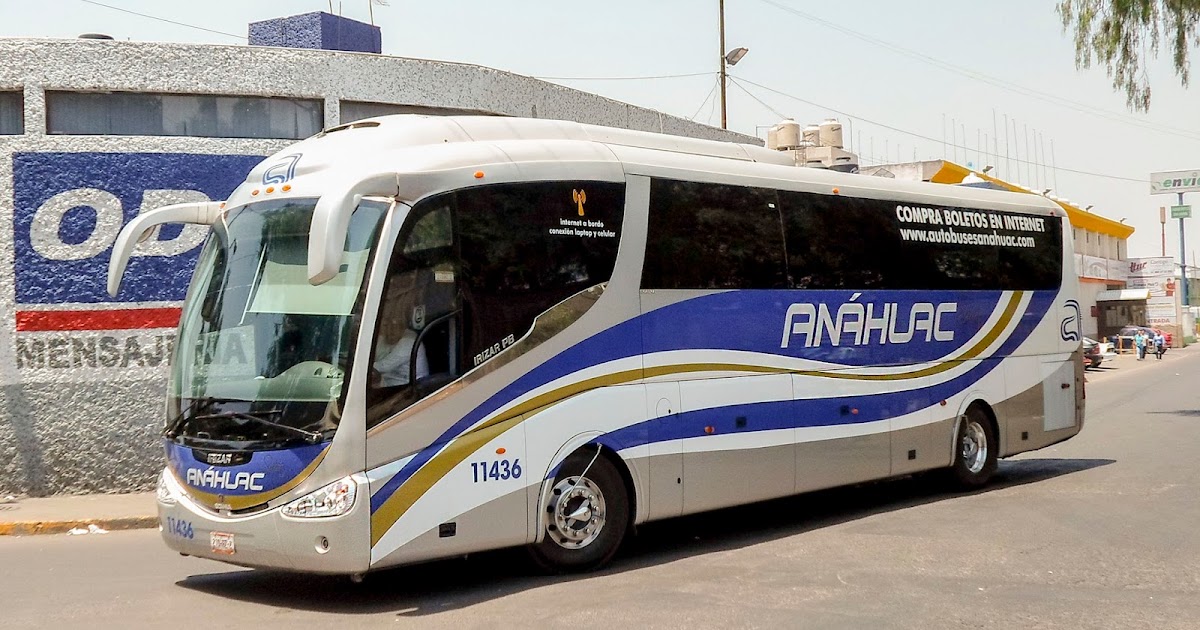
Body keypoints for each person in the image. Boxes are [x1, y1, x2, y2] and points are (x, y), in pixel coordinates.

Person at [373, 277, 429, 388]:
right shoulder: (383, 337)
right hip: (388, 383)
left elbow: (382, 367)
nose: (390, 330)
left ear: (403, 326)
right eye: (386, 325)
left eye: (395, 326)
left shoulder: (408, 342)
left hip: (410, 388)